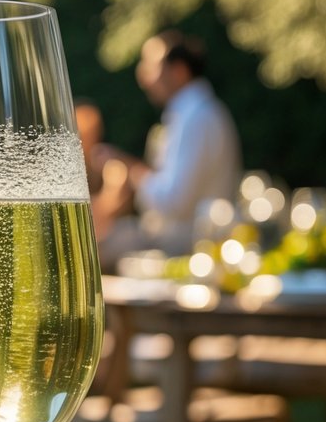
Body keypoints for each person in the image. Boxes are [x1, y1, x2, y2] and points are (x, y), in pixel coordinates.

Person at [95, 31, 242, 270]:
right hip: (192, 242)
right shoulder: (197, 113)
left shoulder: (196, 117)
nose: (143, 77)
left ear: (179, 71)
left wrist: (130, 169)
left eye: (151, 67)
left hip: (189, 246)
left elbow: (175, 202)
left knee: (89, 245)